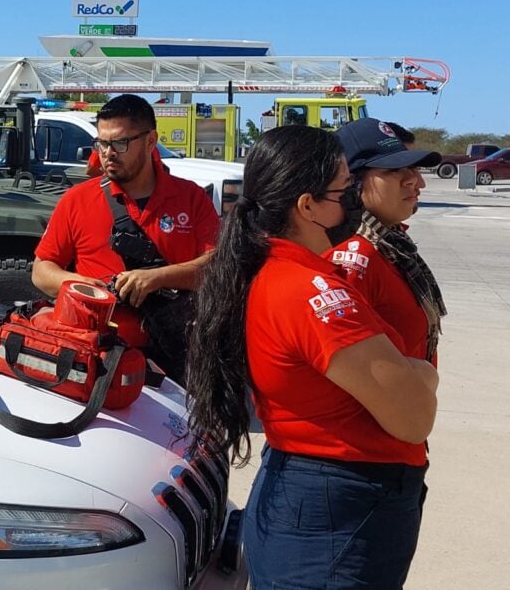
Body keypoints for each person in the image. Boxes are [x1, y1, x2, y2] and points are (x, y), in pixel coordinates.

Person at [186, 124, 438, 589]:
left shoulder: (289, 272)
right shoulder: (311, 290)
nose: (355, 205)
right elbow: (413, 415)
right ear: (307, 206)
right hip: (340, 502)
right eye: (346, 191)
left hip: (330, 496)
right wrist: (420, 371)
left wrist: (410, 368)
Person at [32, 94, 220, 381]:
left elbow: (216, 269)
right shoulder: (77, 200)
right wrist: (76, 283)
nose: (108, 153)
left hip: (175, 358)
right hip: (98, 359)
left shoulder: (190, 198)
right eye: (102, 143)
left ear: (150, 140)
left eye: (120, 143)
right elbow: (41, 269)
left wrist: (156, 278)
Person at [329, 119, 444, 365]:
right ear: (351, 182)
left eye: (414, 170)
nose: (417, 182)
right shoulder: (355, 259)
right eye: (394, 170)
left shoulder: (393, 245)